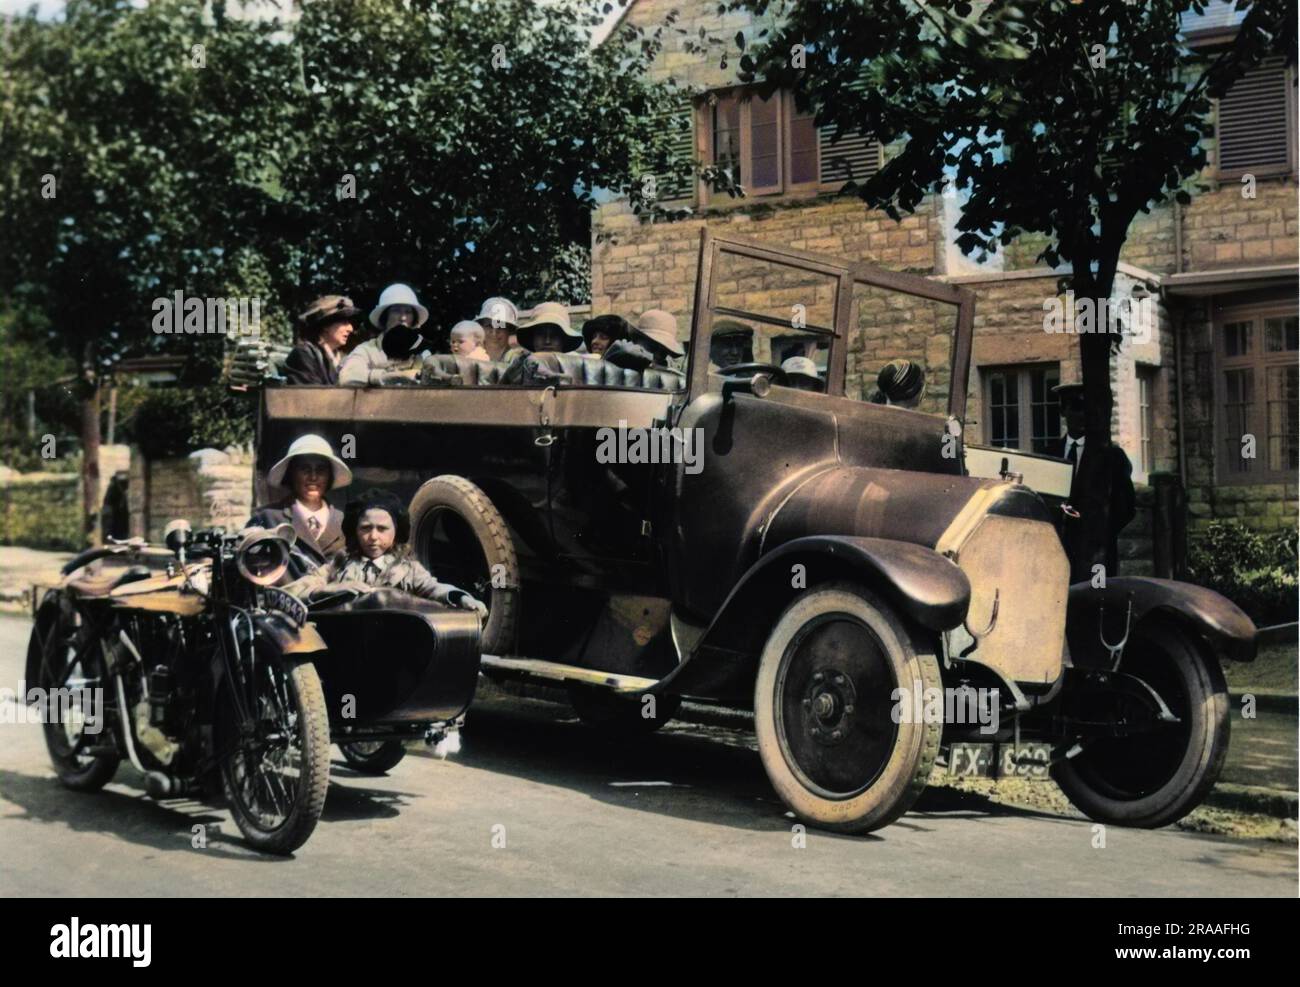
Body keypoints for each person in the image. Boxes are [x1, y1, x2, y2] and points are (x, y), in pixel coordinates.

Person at [285, 488, 487, 615]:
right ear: (355, 530)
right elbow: (301, 587)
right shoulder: (341, 563)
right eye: (365, 528)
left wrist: (462, 598)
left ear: (396, 532)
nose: (373, 537)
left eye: (382, 529)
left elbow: (433, 588)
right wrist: (327, 589)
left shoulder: (407, 569)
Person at [1051, 382, 1137, 583]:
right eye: (1076, 407)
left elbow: (1126, 508)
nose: (1082, 415)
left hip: (1096, 556)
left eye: (1088, 409)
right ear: (1063, 411)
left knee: (1097, 601)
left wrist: (1098, 533)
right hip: (1056, 549)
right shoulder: (1049, 453)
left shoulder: (1112, 457)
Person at [248, 434, 351, 575]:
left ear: (330, 476)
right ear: (290, 474)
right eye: (304, 469)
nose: (313, 477)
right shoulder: (269, 517)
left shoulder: (345, 520)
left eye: (321, 470)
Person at [339, 283, 431, 386]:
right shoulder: (367, 350)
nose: (403, 318)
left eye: (408, 312)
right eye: (396, 311)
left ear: (414, 319)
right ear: (384, 317)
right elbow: (346, 377)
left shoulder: (423, 354)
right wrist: (388, 377)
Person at [283, 295, 360, 385]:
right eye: (344, 322)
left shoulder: (343, 358)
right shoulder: (304, 354)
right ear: (326, 325)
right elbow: (312, 396)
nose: (350, 329)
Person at [517, 302, 583, 353]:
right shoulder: (519, 368)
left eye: (555, 335)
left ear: (564, 340)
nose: (547, 341)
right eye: (541, 334)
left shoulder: (576, 369)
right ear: (533, 338)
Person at [476, 296, 521, 362]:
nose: (494, 332)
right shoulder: (471, 354)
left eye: (500, 327)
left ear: (510, 331)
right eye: (489, 326)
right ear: (481, 327)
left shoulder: (515, 359)